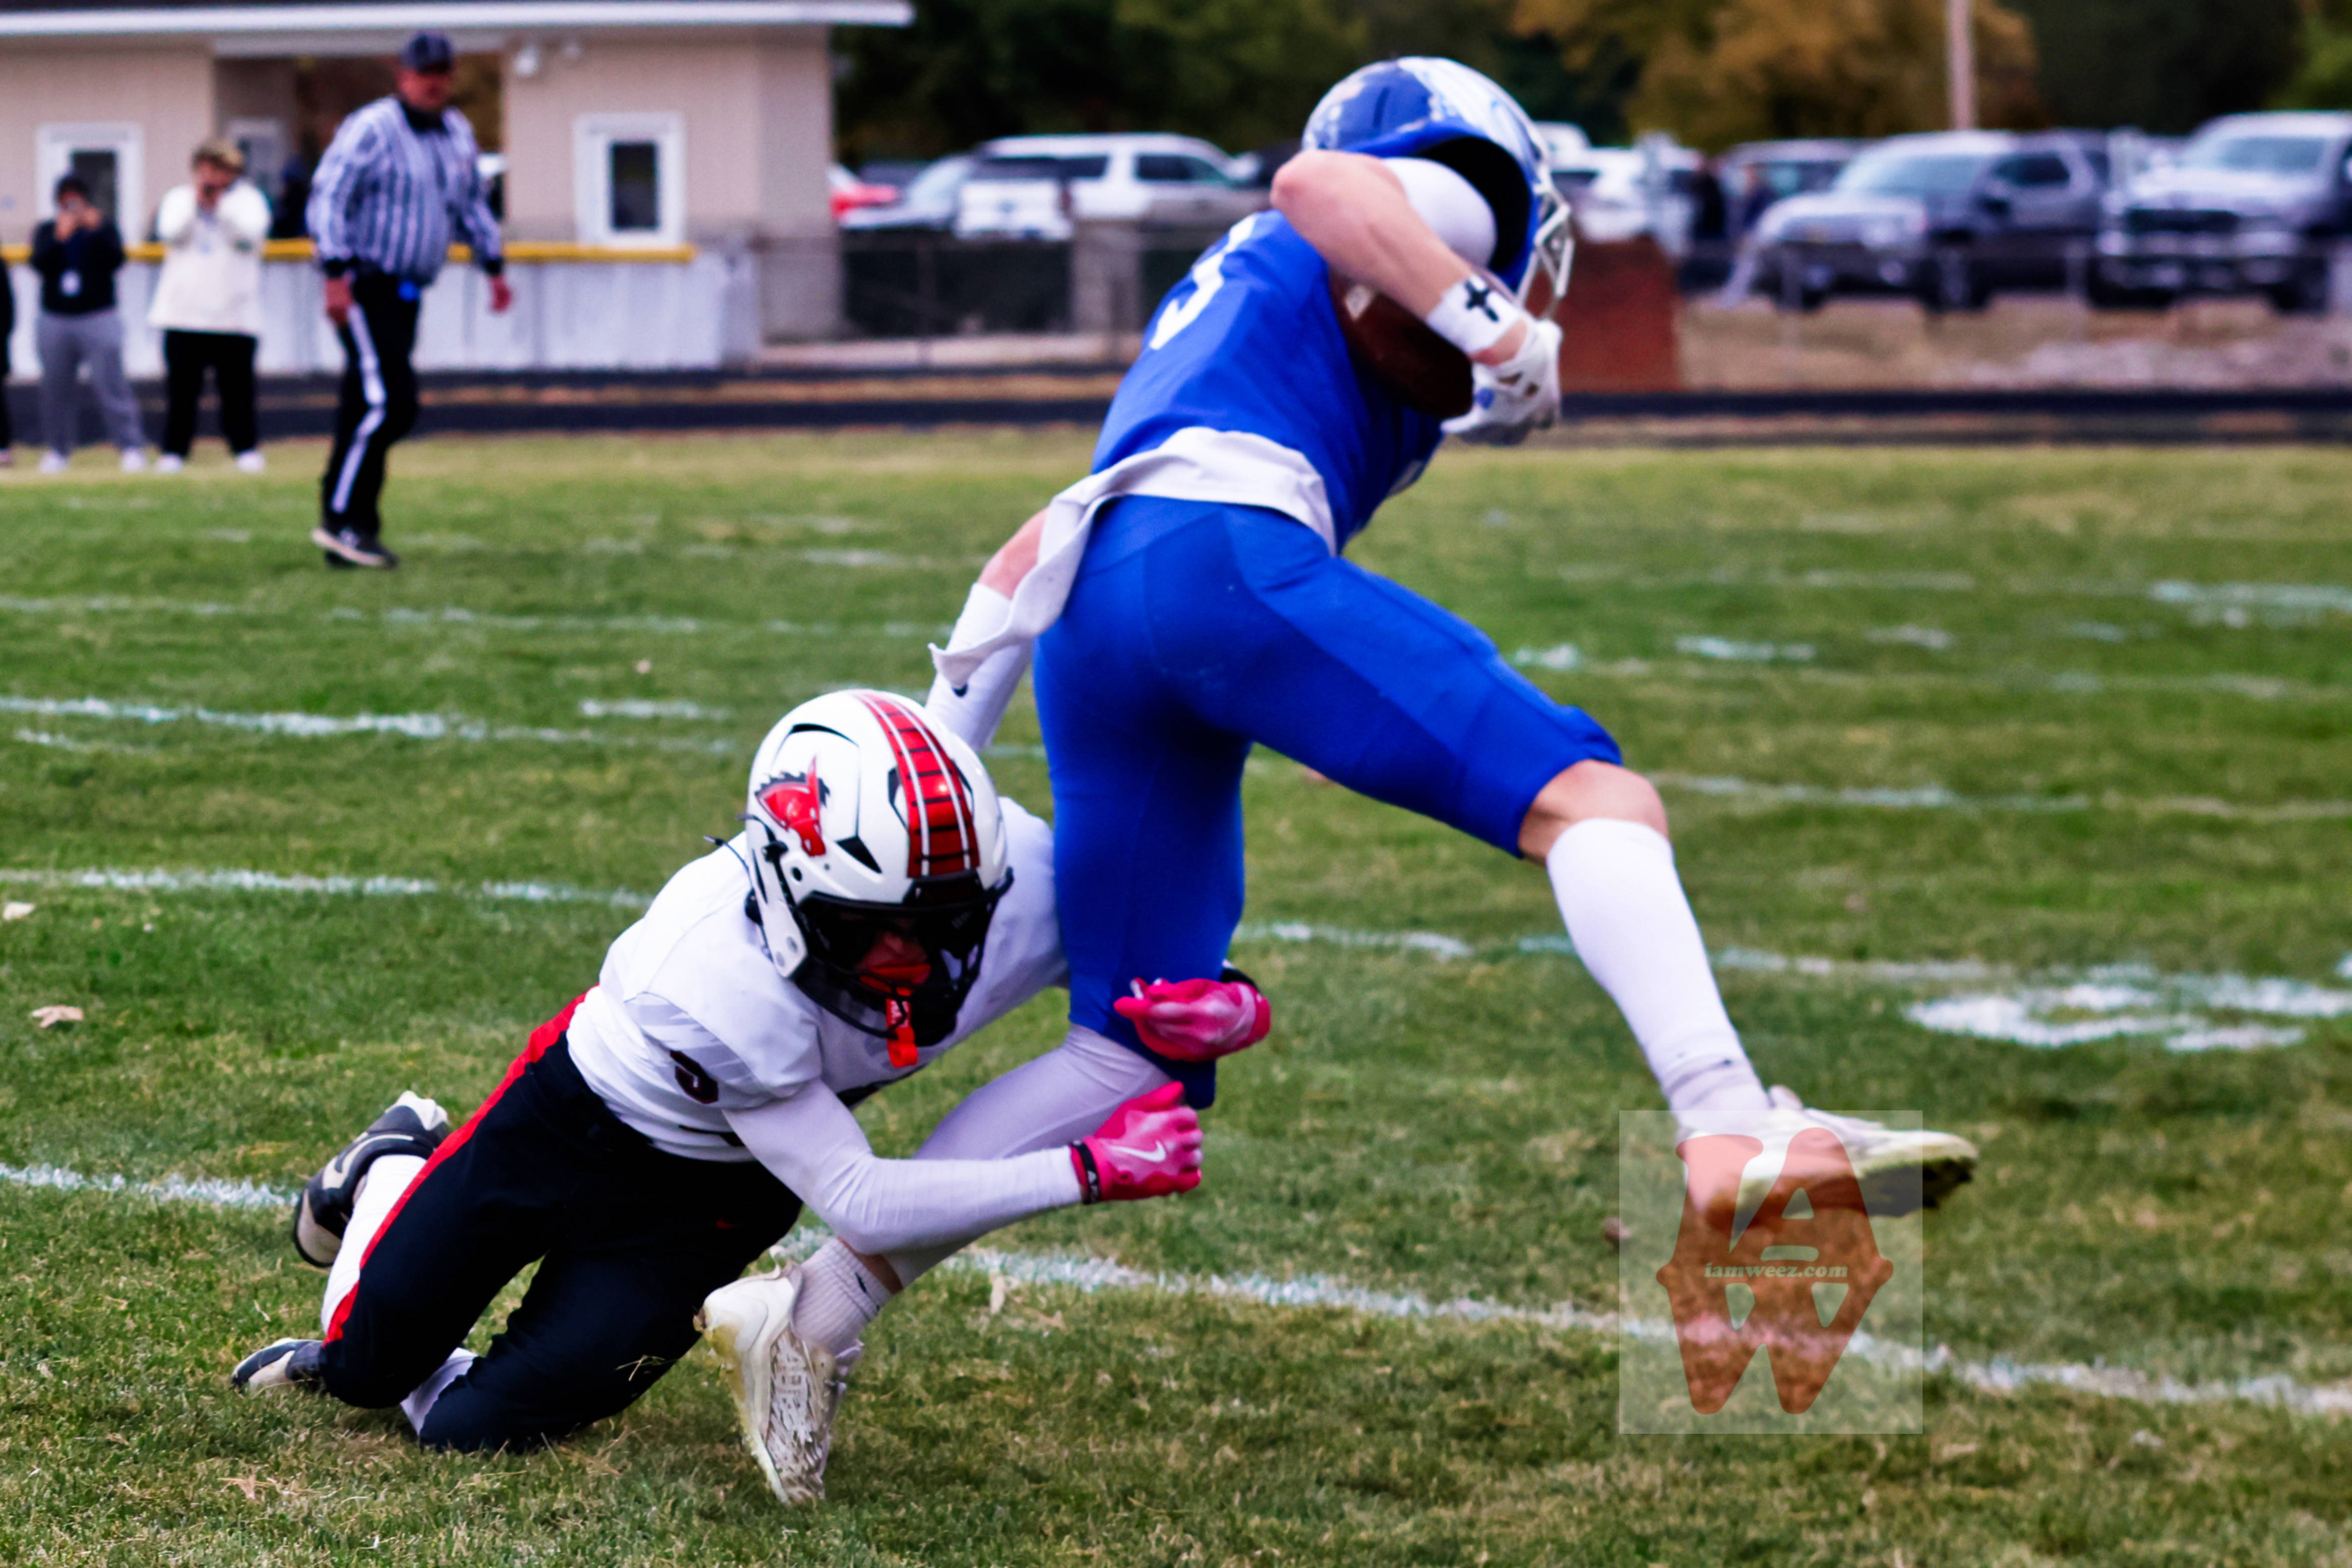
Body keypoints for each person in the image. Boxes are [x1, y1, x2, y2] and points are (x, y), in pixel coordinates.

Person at [722, 58, 1986, 1502]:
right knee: (1593, 799)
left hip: (1096, 600)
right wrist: (1494, 322)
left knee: (1128, 1054)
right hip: (1220, 563)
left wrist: (952, 730)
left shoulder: (1234, 296)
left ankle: (811, 1313)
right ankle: (1725, 1117)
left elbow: (1038, 538)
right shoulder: (1411, 197)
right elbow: (1316, 184)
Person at [230, 691, 1259, 1504]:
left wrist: (1230, 1002)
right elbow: (859, 1200)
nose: (912, 955)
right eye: (873, 926)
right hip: (570, 1125)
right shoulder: (712, 972)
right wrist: (1084, 1172)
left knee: (470, 1433)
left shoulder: (1024, 884)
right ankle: (387, 1167)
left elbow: (1161, 972)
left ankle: (412, 1241)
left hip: (716, 1198)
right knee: (363, 1374)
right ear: (785, 886)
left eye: (945, 918)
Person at [305, 30, 511, 568]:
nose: (433, 83)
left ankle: (354, 528)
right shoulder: (372, 128)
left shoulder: (457, 132)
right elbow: (329, 197)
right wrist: (334, 273)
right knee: (391, 403)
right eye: (424, 74)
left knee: (364, 406)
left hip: (409, 291)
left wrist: (493, 265)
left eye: (442, 73)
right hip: (365, 283)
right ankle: (341, 520)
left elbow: (470, 204)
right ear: (404, 77)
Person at [150, 138, 271, 474]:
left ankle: (244, 448)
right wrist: (198, 205)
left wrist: (221, 208)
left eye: (220, 169)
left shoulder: (249, 202)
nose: (212, 176)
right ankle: (175, 451)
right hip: (184, 314)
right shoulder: (179, 199)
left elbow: (250, 238)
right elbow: (170, 233)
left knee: (238, 391)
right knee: (181, 391)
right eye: (207, 168)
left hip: (235, 315)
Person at [29, 174, 145, 474]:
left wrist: (99, 230)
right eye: (66, 198)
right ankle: (58, 450)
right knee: (55, 388)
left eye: (77, 197)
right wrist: (60, 237)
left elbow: (117, 260)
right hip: (56, 317)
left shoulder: (103, 227)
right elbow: (39, 264)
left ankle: (130, 447)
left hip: (98, 315)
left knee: (112, 384)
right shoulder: (47, 230)